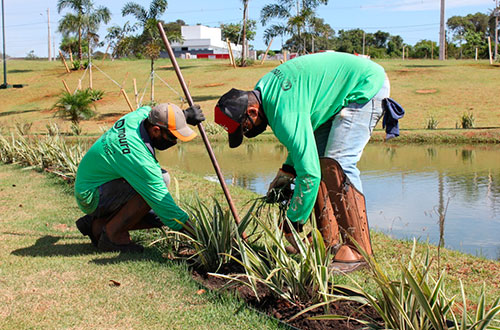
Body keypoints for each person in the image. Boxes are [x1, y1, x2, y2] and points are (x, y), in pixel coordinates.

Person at [214, 51, 392, 273]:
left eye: (245, 128)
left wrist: (293, 221)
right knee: (318, 160)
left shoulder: (282, 113)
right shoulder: (264, 90)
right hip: (340, 95)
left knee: (338, 164)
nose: (248, 133)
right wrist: (285, 174)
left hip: (363, 85)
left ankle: (358, 252)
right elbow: (304, 146)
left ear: (252, 111)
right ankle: (328, 243)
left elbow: (309, 175)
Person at [74, 103, 205, 252]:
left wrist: (183, 115)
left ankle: (97, 226)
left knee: (156, 217)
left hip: (94, 185)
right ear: (156, 130)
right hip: (92, 195)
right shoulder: (138, 156)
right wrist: (202, 236)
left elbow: (154, 110)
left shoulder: (139, 117)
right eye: (172, 137)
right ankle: (113, 236)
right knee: (161, 185)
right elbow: (164, 205)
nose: (174, 142)